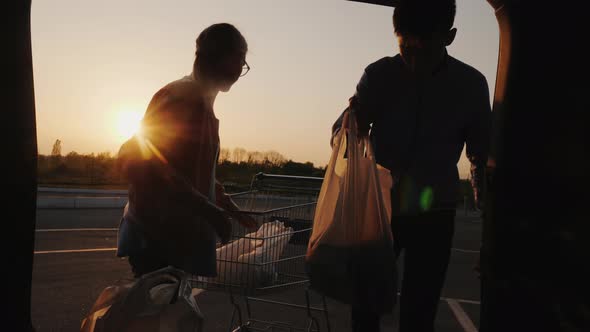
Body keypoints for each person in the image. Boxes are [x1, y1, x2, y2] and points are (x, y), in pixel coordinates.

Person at [333, 1, 491, 331]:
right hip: (379, 208)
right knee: (365, 306)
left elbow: (481, 158)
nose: (414, 61)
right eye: (406, 49)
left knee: (420, 312)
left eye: (425, 51)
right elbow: (340, 139)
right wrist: (350, 126)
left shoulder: (471, 85)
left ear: (449, 37)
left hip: (435, 211)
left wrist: (490, 228)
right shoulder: (378, 75)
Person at [116, 23, 256, 278]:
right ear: (222, 57)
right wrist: (209, 211)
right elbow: (147, 162)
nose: (240, 70)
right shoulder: (181, 97)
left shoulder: (201, 100)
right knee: (158, 312)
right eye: (240, 60)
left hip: (174, 238)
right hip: (157, 238)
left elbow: (191, 170)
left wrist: (229, 207)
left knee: (170, 314)